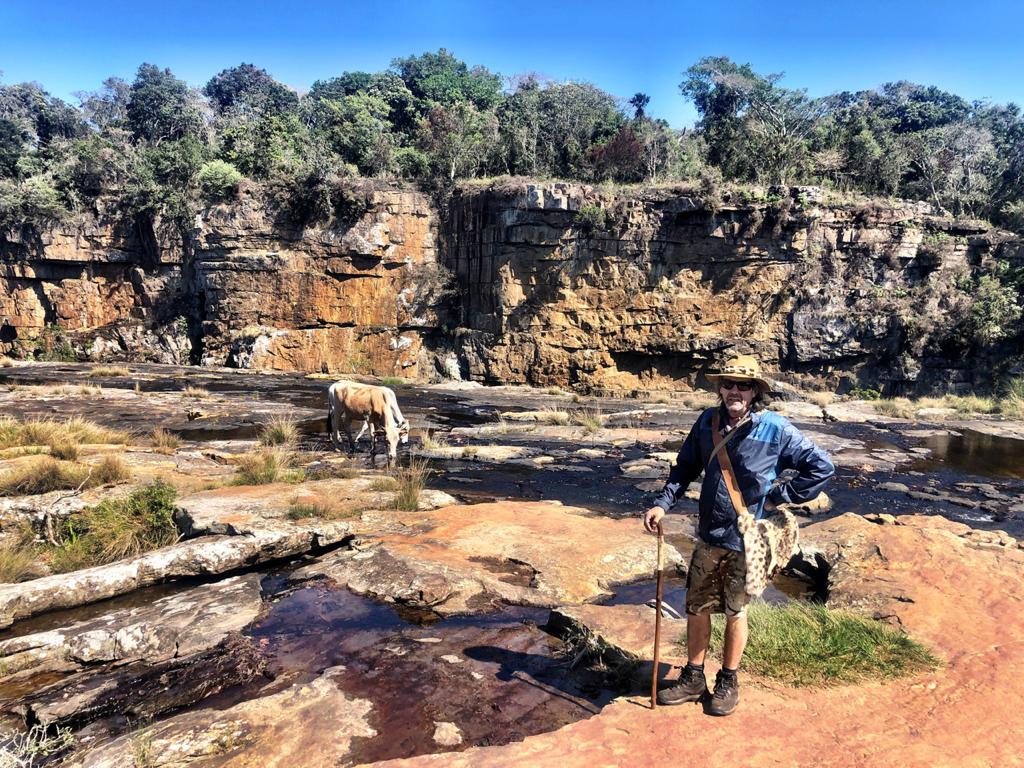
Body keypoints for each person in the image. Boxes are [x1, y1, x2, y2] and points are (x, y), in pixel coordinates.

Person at [643, 354, 834, 716]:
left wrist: (781, 496)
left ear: (754, 392)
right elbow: (684, 468)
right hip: (709, 537)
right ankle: (694, 676)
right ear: (720, 388)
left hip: (748, 540)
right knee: (696, 608)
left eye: (743, 385)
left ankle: (728, 681)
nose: (734, 391)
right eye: (728, 384)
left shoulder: (775, 429)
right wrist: (662, 504)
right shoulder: (706, 423)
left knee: (736, 611)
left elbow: (821, 466)